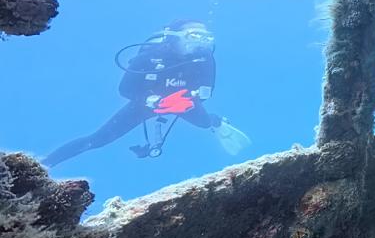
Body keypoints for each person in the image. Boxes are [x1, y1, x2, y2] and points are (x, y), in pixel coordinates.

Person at [42, 19, 250, 167]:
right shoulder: (151, 56)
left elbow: (206, 89)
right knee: (97, 140)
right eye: (194, 36)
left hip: (184, 102)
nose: (200, 42)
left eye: (205, 37)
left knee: (205, 122)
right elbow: (125, 89)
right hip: (145, 104)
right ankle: (45, 165)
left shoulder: (205, 57)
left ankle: (217, 123)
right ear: (175, 37)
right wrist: (155, 101)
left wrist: (189, 100)